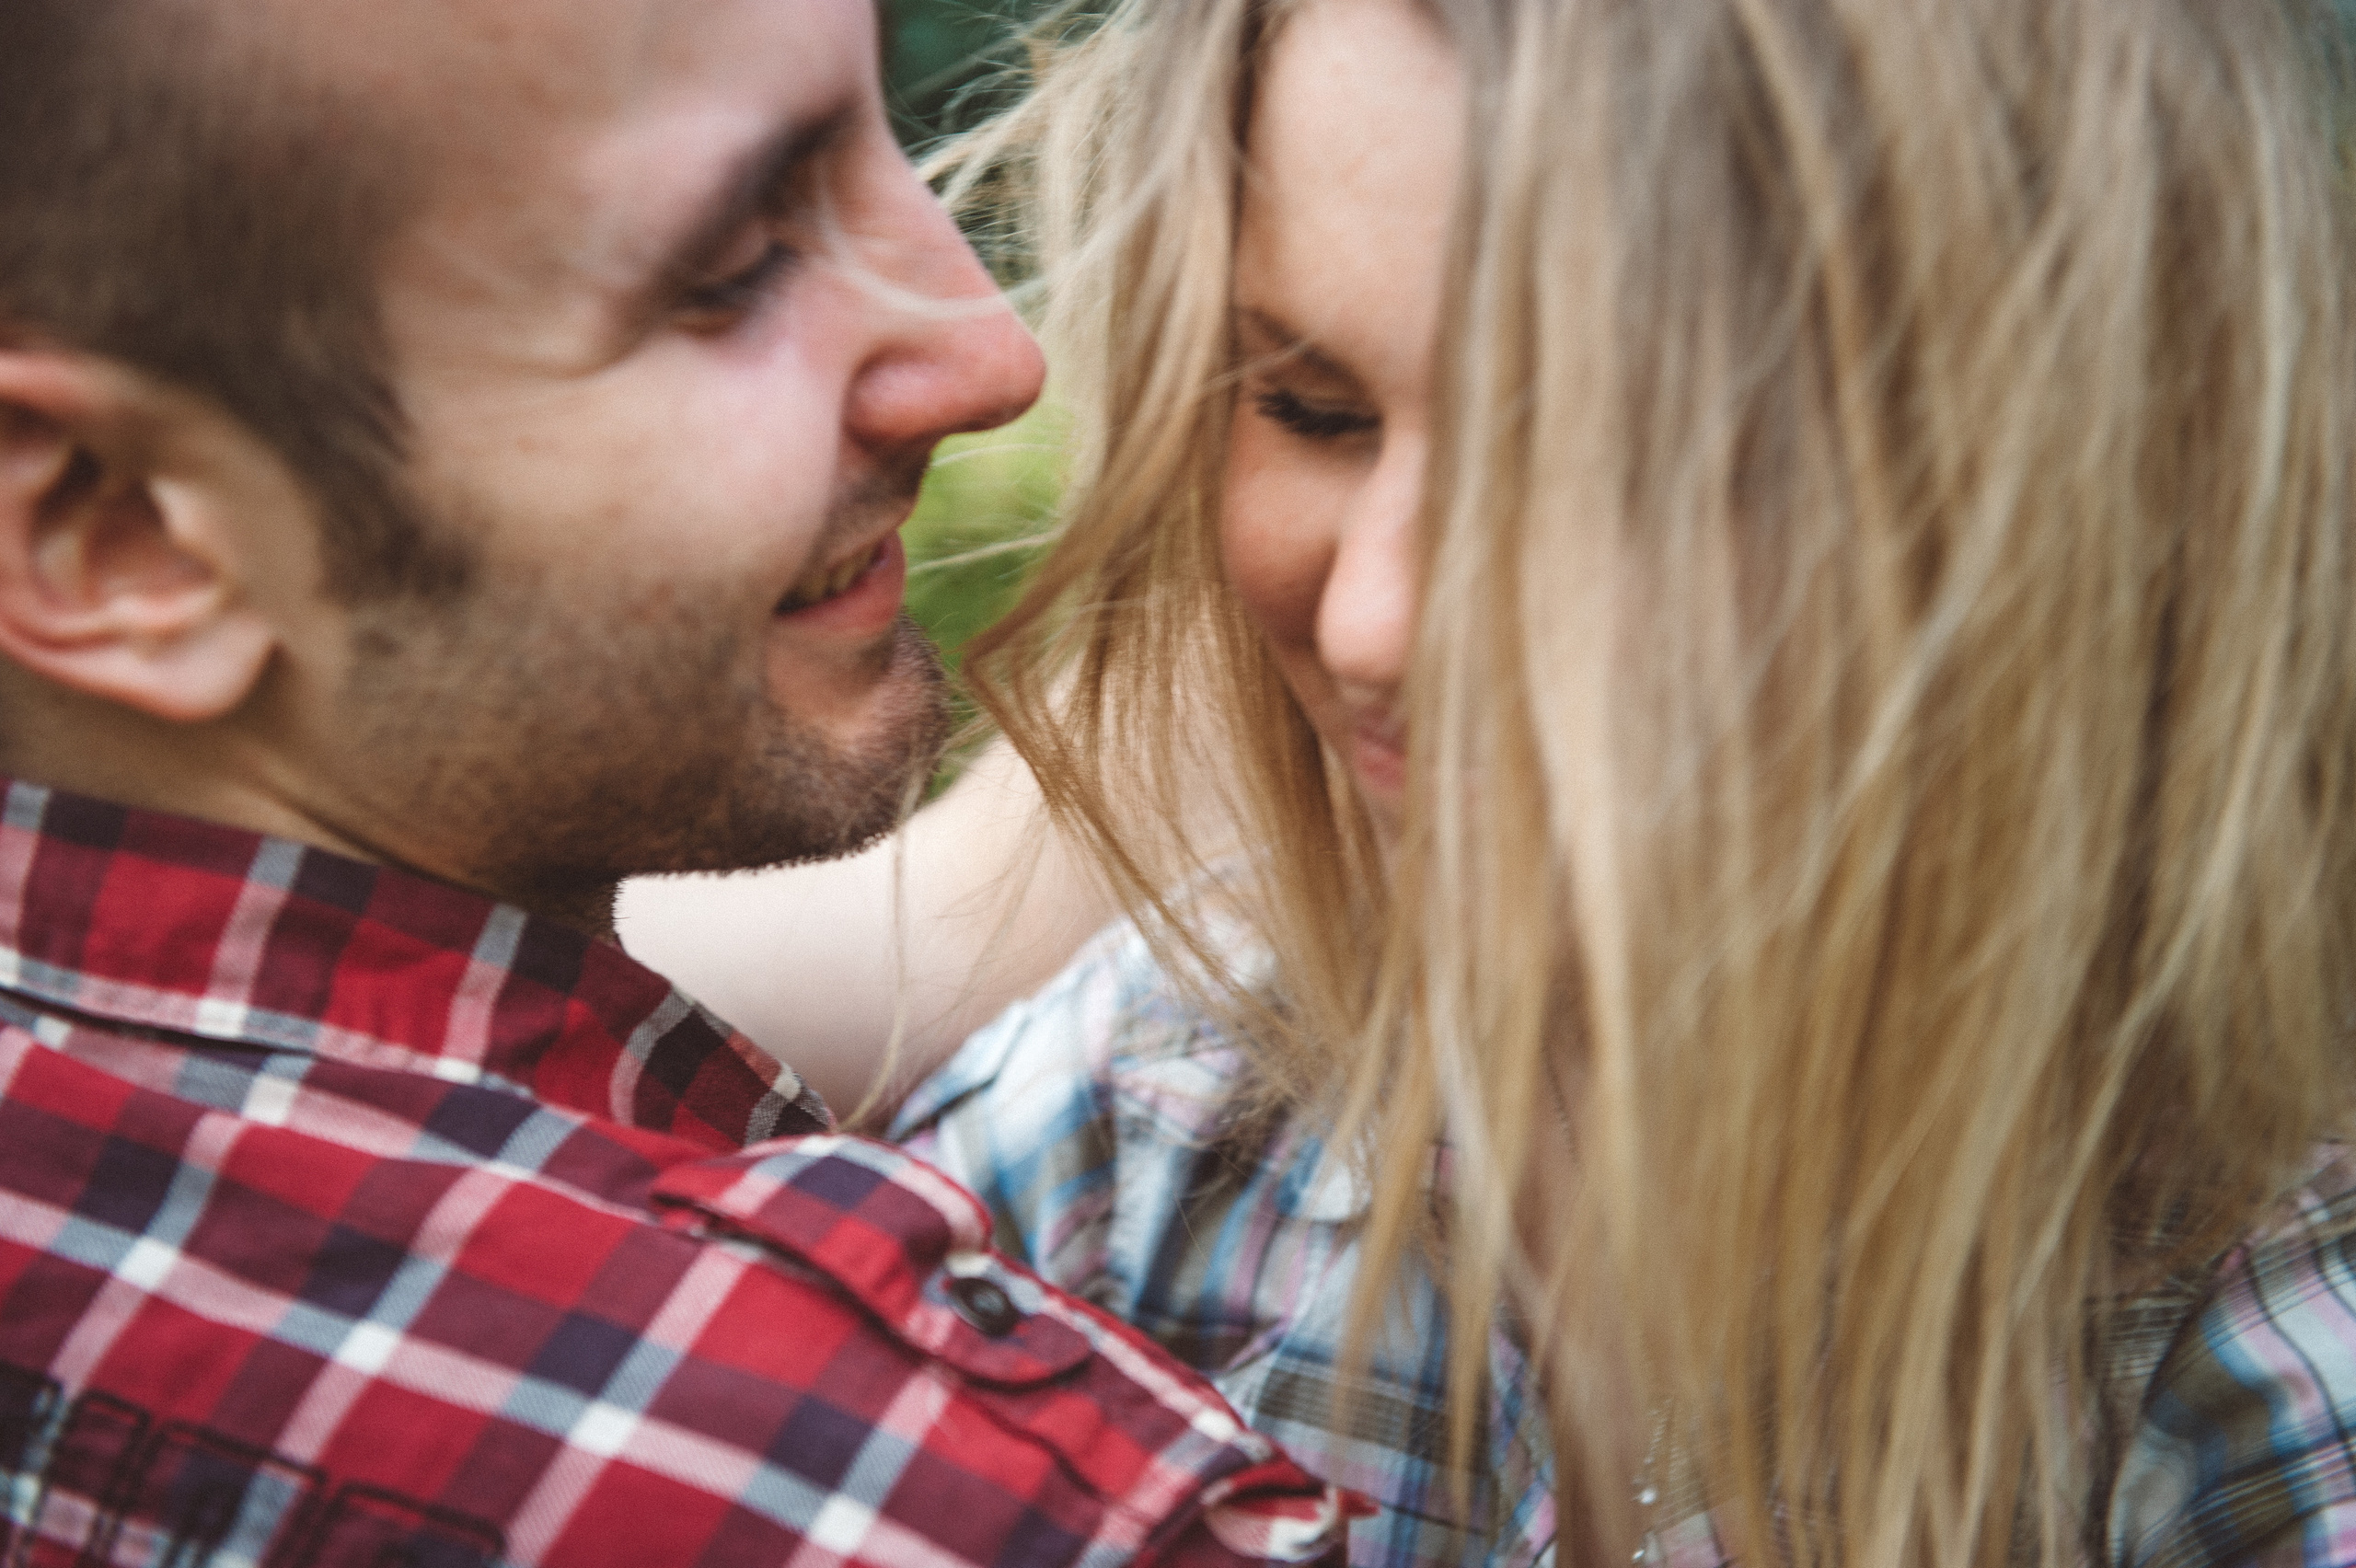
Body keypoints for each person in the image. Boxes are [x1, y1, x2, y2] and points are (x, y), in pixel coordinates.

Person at [634, 0, 2356, 1565]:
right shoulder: (1145, 1128)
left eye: (1596, 449)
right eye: (1308, 406)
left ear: (2068, 481)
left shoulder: (2252, 1334)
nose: (1378, 621)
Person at [0, 3, 1361, 1566]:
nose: (989, 351)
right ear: (114, 531)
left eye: (881, 141)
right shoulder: (946, 1508)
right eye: (730, 271)